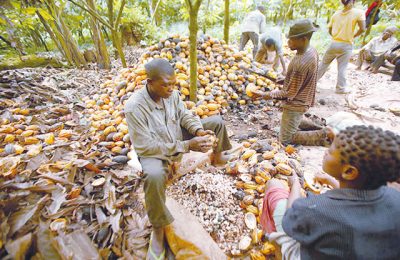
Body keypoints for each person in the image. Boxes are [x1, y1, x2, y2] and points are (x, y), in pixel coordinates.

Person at [124, 59, 232, 259]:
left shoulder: (171, 95)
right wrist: (187, 146)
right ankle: (158, 229)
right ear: (150, 82)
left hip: (174, 136)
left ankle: (217, 158)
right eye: (166, 84)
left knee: (216, 122)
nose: (171, 88)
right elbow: (146, 146)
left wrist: (198, 131)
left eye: (173, 84)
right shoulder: (134, 107)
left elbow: (185, 115)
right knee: (154, 175)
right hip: (154, 150)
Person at [261, 125, 400, 259]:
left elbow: (290, 218)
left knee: (274, 186)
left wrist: (295, 185)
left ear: (349, 171)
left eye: (331, 151)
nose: (326, 151)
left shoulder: (318, 209)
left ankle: (280, 254)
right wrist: (332, 182)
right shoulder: (395, 198)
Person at [251, 19, 333, 146]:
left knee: (286, 139)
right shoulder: (312, 51)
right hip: (305, 97)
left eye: (292, 39)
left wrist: (264, 95)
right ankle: (318, 127)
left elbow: (289, 93)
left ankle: (323, 134)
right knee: (295, 120)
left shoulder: (300, 63)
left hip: (296, 103)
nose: (288, 42)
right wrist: (286, 79)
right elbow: (304, 78)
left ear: (303, 39)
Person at [317, 0, 365, 94]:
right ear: (353, 1)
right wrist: (353, 36)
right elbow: (362, 28)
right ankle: (340, 88)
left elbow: (330, 29)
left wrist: (335, 37)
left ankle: (310, 84)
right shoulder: (359, 12)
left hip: (334, 43)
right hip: (346, 44)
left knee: (323, 64)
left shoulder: (336, 14)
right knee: (342, 67)